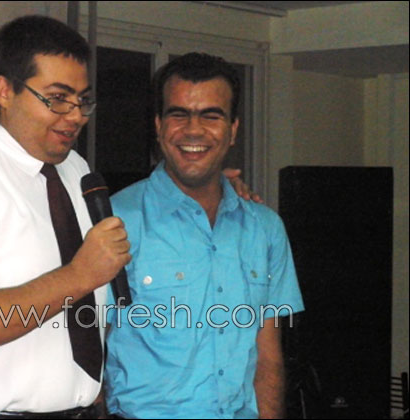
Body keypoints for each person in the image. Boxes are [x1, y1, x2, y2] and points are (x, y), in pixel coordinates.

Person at [0, 16, 255, 419]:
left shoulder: (75, 170)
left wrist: (216, 190)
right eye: (57, 98)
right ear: (4, 91)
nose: (74, 116)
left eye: (82, 100)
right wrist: (79, 276)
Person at [104, 53, 304, 419]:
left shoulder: (265, 229)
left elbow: (268, 358)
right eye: (179, 114)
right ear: (159, 126)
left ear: (233, 129)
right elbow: (87, 351)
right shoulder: (115, 222)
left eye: (211, 115)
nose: (193, 130)